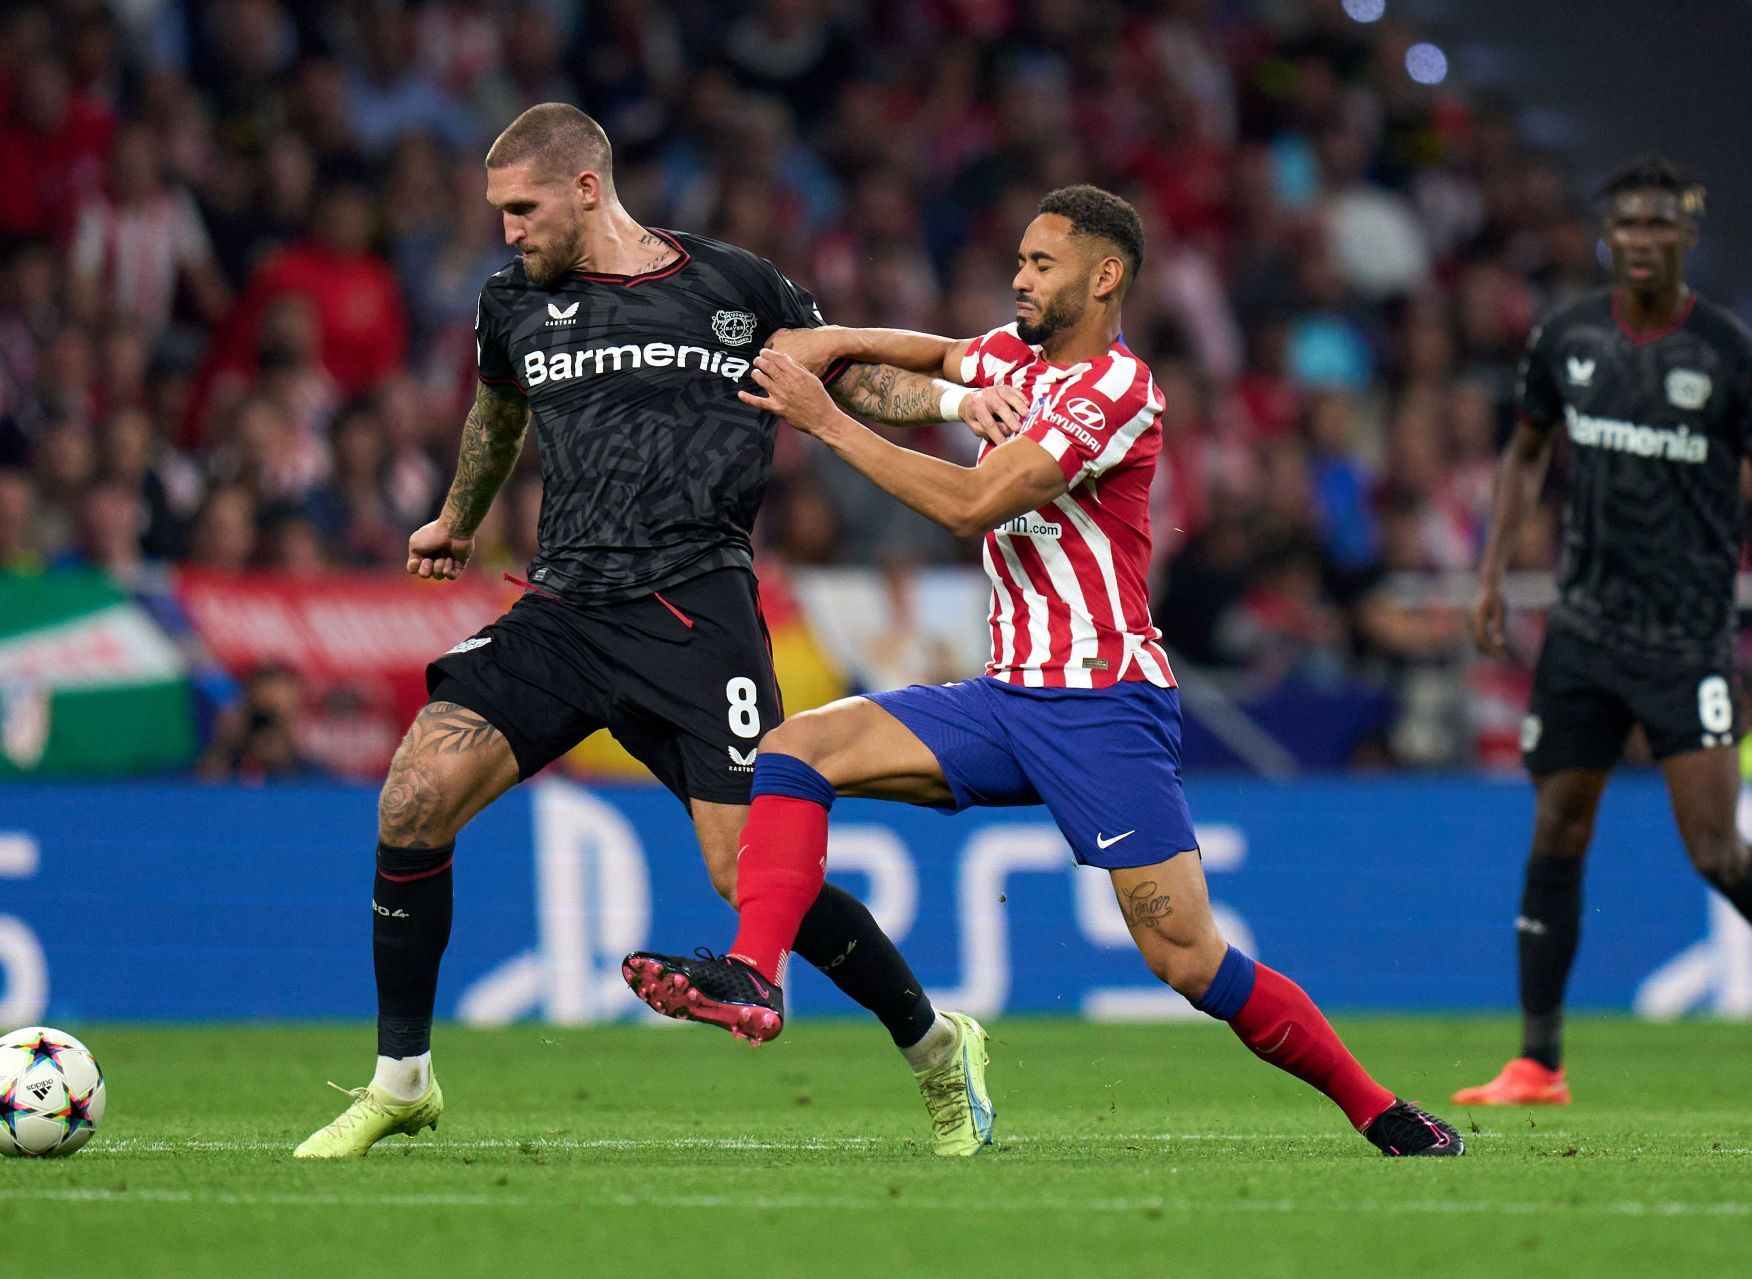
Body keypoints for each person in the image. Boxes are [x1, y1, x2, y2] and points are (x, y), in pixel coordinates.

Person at [623, 186, 1462, 1157]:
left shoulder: (1117, 392)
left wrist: (827, 420)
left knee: (1190, 960)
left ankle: (1379, 1110)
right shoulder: (1011, 358)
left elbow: (976, 501)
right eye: (1018, 260)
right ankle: (754, 978)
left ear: (1105, 278)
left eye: (1041, 264)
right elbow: (931, 361)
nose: (1019, 277)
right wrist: (834, 340)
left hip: (1105, 708)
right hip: (1006, 694)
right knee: (797, 751)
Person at [295, 103, 1031, 1159]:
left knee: (749, 876)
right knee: (414, 795)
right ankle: (402, 1079)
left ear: (586, 188)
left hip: (697, 615)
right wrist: (458, 518)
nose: (506, 230)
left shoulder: (733, 286)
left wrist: (957, 402)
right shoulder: (511, 304)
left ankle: (934, 1044)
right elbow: (498, 412)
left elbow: (850, 375)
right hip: (566, 609)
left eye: (521, 207)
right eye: (498, 211)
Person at [1453, 157, 1752, 1106]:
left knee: (1714, 845)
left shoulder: (1729, 354)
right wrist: (1491, 571)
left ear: (1685, 233)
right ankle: (1539, 1061)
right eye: (1625, 223)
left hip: (1687, 635)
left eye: (1657, 223)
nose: (1640, 237)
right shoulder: (1568, 337)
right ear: (1609, 235)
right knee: (1557, 827)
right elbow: (1524, 454)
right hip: (1584, 626)